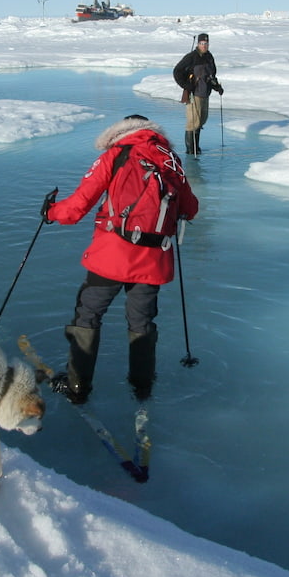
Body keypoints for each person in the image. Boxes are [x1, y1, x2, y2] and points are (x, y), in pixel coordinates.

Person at [41, 115, 198, 402]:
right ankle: (142, 386)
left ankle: (77, 387)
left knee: (88, 314)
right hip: (154, 257)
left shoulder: (115, 155)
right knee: (141, 321)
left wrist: (50, 212)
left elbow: (77, 207)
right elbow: (191, 207)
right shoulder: (170, 159)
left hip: (112, 255)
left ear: (121, 132)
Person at [173, 32, 222, 155]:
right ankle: (191, 150)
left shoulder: (209, 57)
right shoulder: (191, 57)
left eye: (206, 44)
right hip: (194, 94)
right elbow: (177, 71)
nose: (204, 46)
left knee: (201, 120)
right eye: (202, 43)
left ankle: (196, 147)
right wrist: (186, 85)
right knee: (193, 122)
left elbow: (211, 75)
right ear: (198, 44)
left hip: (205, 93)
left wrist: (217, 86)